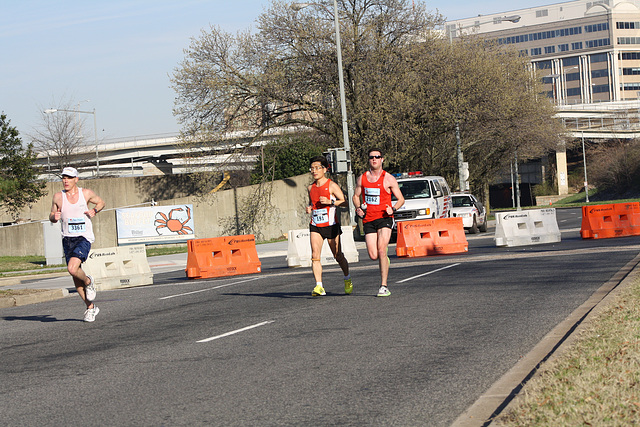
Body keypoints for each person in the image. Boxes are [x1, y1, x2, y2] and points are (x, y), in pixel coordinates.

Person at [49, 167, 105, 322]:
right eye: (63, 178)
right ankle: (90, 307)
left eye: (69, 178)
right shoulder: (58, 197)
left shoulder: (85, 193)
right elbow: (51, 215)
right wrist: (54, 216)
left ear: (76, 179)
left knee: (72, 268)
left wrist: (95, 211)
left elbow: (101, 202)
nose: (65, 180)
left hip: (83, 237)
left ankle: (88, 281)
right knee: (74, 274)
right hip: (67, 238)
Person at [353, 148, 404, 297]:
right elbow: (356, 196)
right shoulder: (362, 178)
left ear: (382, 159)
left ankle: (383, 286)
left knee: (381, 250)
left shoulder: (388, 178)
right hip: (369, 219)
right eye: (371, 157)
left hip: (384, 218)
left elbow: (401, 199)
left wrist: (393, 209)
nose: (374, 159)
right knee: (373, 255)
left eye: (377, 157)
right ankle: (384, 259)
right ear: (368, 160)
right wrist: (358, 208)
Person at [305, 156, 352, 296]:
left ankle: (347, 277)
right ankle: (319, 286)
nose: (314, 171)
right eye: (312, 168)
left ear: (325, 169)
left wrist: (331, 201)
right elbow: (312, 203)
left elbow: (345, 202)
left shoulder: (332, 185)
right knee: (315, 255)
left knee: (338, 256)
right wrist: (309, 208)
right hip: (316, 225)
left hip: (331, 225)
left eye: (317, 168)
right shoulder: (310, 187)